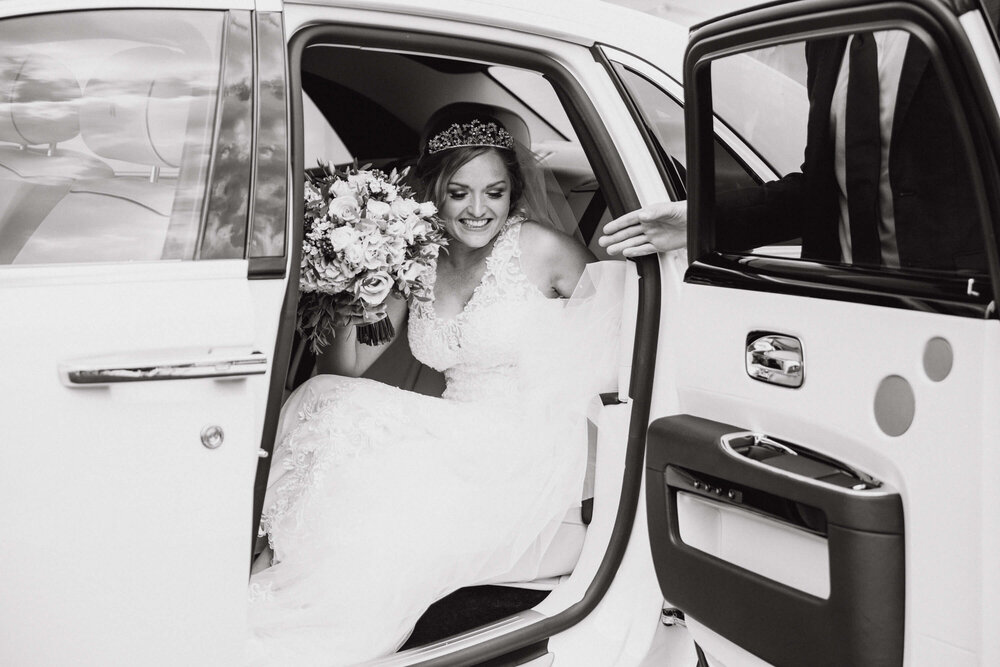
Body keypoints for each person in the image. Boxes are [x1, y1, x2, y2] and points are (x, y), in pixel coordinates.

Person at [246, 108, 620, 665]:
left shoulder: (542, 249)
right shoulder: (416, 257)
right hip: (457, 426)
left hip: (532, 438)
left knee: (378, 503)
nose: (477, 210)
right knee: (324, 402)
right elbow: (347, 369)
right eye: (459, 192)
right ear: (435, 193)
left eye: (494, 192)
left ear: (513, 192)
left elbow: (617, 342)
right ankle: (276, 570)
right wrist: (359, 297)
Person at [599, 32, 984, 272]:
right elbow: (825, 189)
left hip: (964, 308)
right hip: (840, 301)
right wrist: (700, 220)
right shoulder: (828, 33)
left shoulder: (975, 21)